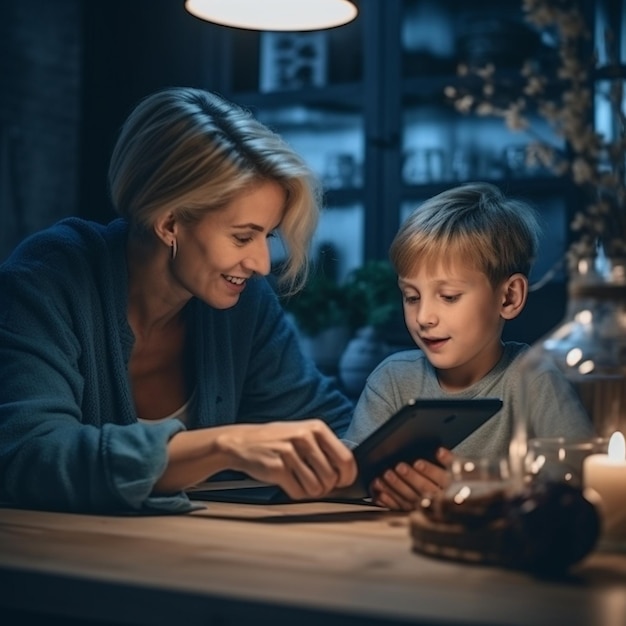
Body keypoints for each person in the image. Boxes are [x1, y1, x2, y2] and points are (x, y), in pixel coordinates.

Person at [0, 86, 357, 514]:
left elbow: (330, 426)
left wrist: (396, 468)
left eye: (268, 236)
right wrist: (222, 446)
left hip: (192, 558)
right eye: (243, 236)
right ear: (169, 223)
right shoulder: (47, 279)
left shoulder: (245, 304)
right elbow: (30, 454)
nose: (262, 263)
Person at [343, 182, 593, 511]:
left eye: (448, 296)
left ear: (509, 297)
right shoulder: (392, 380)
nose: (424, 317)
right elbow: (349, 474)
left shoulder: (535, 380)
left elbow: (577, 479)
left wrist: (476, 490)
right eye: (411, 297)